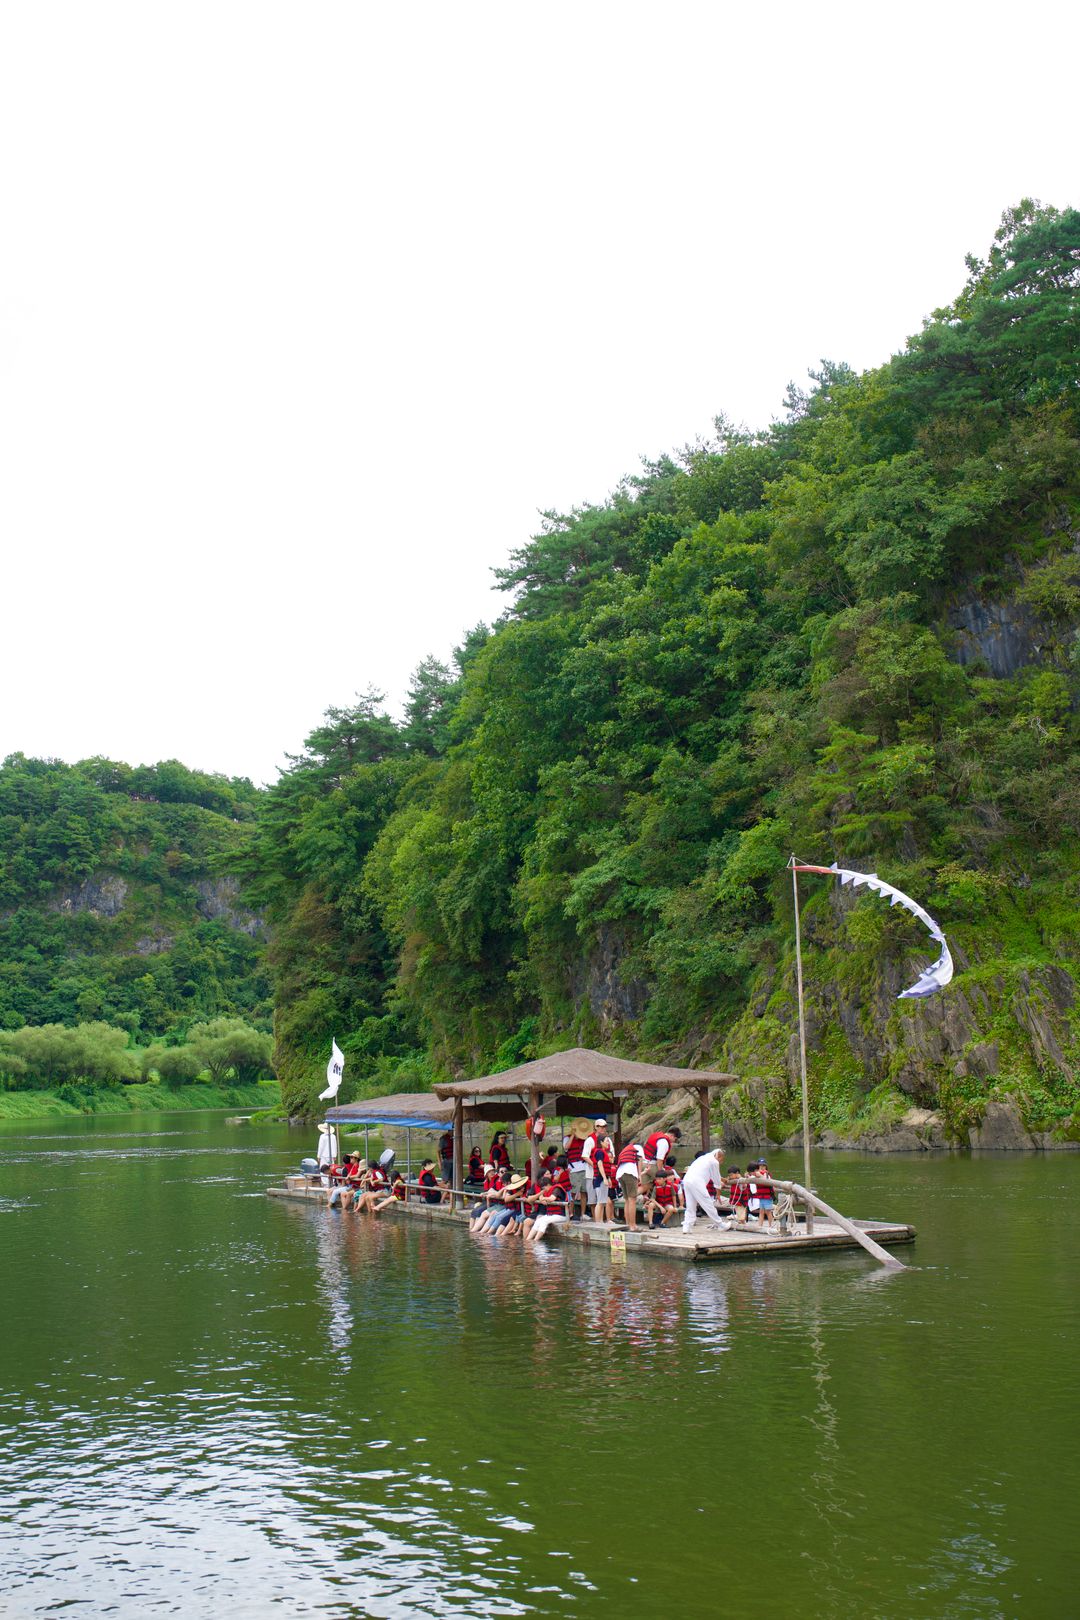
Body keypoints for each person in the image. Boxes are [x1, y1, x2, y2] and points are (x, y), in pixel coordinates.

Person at [681, 1147, 729, 1234]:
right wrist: (718, 1194)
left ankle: (687, 1226)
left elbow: (710, 1174)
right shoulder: (714, 1162)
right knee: (708, 1203)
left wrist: (722, 1179)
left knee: (690, 1205)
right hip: (697, 1182)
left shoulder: (702, 1158)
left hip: (687, 1180)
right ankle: (720, 1224)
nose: (721, 1162)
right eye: (721, 1160)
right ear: (718, 1156)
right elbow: (716, 1179)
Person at [583, 1118, 612, 1224]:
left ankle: (605, 1219)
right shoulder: (590, 1140)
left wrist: (607, 1175)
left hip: (603, 1174)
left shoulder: (607, 1140)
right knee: (593, 1200)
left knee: (602, 1200)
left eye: (605, 1126)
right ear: (596, 1127)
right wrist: (597, 1168)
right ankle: (597, 1221)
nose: (603, 1128)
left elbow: (610, 1156)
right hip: (593, 1174)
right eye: (601, 1126)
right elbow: (585, 1156)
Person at [614, 1140, 646, 1230]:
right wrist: (640, 1175)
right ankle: (633, 1226)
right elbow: (639, 1160)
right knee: (632, 1200)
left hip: (620, 1174)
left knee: (627, 1200)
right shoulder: (639, 1148)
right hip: (630, 1173)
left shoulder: (626, 1149)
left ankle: (628, 1224)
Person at [562, 1123, 589, 1221]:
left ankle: (583, 1214)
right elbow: (566, 1147)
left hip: (584, 1168)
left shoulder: (585, 1140)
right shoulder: (567, 1138)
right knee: (573, 1192)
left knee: (583, 1192)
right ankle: (570, 1213)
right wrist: (573, 1135)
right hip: (573, 1169)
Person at [747, 1159, 776, 1228]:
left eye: (764, 1166)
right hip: (761, 1197)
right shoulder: (754, 1175)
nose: (762, 1167)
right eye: (760, 1166)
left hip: (767, 1196)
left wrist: (760, 1175)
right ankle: (760, 1225)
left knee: (768, 1212)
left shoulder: (766, 1174)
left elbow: (765, 1180)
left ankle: (771, 1226)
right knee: (761, 1212)